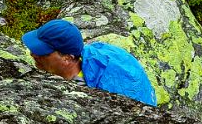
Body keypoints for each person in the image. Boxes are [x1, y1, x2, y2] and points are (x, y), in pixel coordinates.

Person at [21, 19, 158, 106]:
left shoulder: (94, 90)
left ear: (67, 58)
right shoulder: (91, 52)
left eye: (43, 52)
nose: (33, 55)